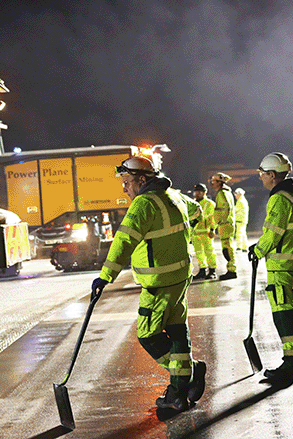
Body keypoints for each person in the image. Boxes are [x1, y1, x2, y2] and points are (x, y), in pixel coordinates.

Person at [92, 156, 206, 411]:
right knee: (177, 330)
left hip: (158, 282)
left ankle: (188, 374)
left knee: (148, 335)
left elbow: (123, 242)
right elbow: (198, 211)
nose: (124, 188)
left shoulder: (143, 204)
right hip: (179, 277)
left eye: (126, 181)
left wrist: (105, 277)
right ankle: (178, 391)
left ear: (142, 180)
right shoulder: (175, 196)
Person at [249, 152, 293, 386]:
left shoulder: (279, 198)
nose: (260, 178)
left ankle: (292, 362)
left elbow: (273, 233)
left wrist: (257, 251)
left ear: (271, 175)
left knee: (283, 310)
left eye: (261, 173)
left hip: (281, 263)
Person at [210, 172, 237, 280]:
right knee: (227, 247)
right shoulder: (226, 192)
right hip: (226, 224)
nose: (212, 183)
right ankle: (231, 269)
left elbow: (225, 209)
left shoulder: (222, 193)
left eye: (214, 181)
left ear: (219, 182)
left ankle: (232, 270)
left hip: (225, 225)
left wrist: (220, 221)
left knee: (227, 248)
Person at [191, 183, 218, 280]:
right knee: (199, 253)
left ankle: (212, 271)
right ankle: (202, 270)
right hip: (195, 233)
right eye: (196, 192)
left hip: (206, 232)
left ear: (204, 193)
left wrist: (212, 229)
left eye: (199, 192)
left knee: (209, 252)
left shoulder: (210, 203)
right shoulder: (192, 203)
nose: (197, 194)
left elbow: (213, 218)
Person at [234, 187, 250, 252]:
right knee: (243, 233)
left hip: (240, 220)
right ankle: (244, 247)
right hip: (243, 219)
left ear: (239, 194)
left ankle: (239, 247)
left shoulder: (240, 201)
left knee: (239, 233)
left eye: (236, 194)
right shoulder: (243, 200)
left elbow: (236, 210)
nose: (235, 196)